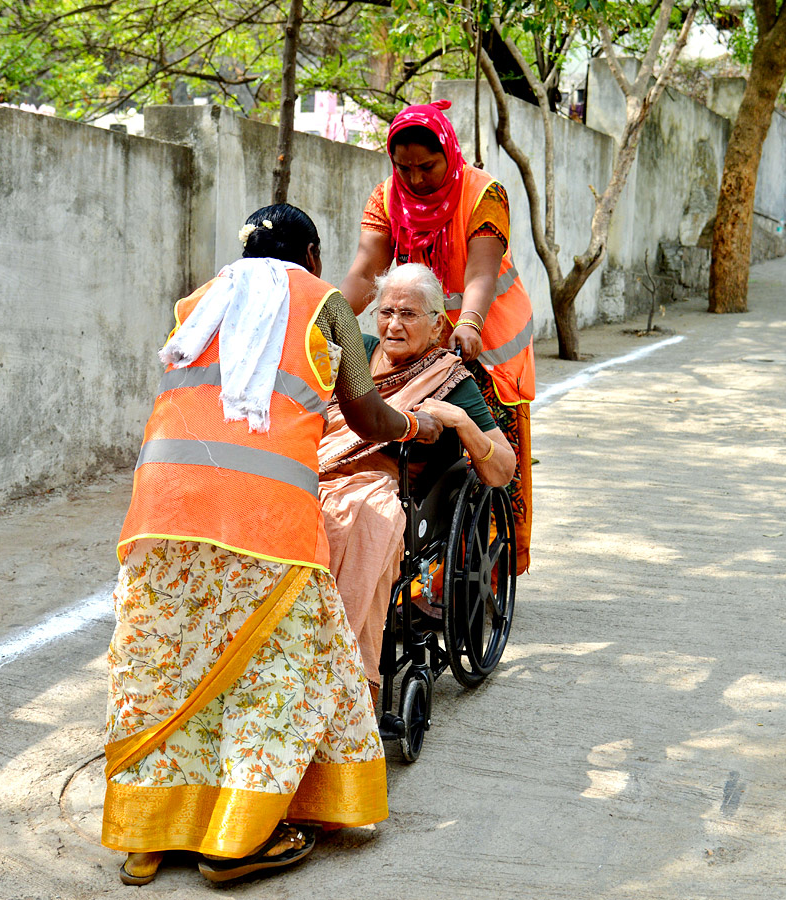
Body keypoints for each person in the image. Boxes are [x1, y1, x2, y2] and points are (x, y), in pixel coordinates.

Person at [104, 204, 443, 886]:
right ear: (313, 255)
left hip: (164, 508)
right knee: (278, 674)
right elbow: (364, 412)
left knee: (170, 666)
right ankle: (239, 839)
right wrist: (419, 426)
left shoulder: (200, 301)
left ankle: (151, 831)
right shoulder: (324, 303)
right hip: (266, 520)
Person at [340, 99, 535, 575]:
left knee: (486, 449)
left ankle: (480, 569)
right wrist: (324, 320)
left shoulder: (483, 193)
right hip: (418, 335)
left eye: (426, 167)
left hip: (484, 340)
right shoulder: (386, 198)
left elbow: (481, 273)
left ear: (449, 152)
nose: (416, 179)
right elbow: (365, 272)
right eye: (403, 167)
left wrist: (467, 323)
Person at [319, 263, 515, 699]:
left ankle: (344, 674)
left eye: (408, 314)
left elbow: (503, 469)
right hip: (321, 468)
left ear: (437, 325)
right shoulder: (355, 352)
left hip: (388, 485)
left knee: (367, 518)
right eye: (386, 311)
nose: (393, 324)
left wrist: (462, 422)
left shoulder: (451, 380)